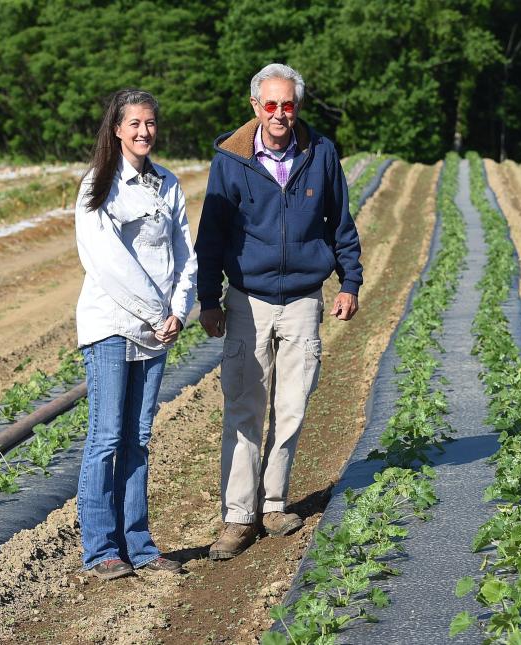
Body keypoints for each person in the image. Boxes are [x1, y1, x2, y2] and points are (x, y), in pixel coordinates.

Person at [195, 63, 362, 560]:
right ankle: (237, 516)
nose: (279, 114)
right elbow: (212, 234)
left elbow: (341, 224)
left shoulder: (321, 153)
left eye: (287, 104)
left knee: (291, 407)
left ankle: (273, 503)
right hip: (248, 299)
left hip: (304, 299)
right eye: (270, 105)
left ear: (298, 106)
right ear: (255, 107)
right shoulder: (231, 159)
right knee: (244, 406)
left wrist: (348, 282)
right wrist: (209, 298)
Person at [74, 89, 197, 579]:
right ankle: (101, 549)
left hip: (156, 329)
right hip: (112, 325)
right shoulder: (97, 186)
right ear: (116, 129)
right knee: (106, 438)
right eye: (135, 124)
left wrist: (179, 312)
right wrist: (154, 311)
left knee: (138, 439)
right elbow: (109, 263)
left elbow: (185, 255)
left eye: (150, 123)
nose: (144, 131)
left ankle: (140, 546)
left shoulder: (166, 184)